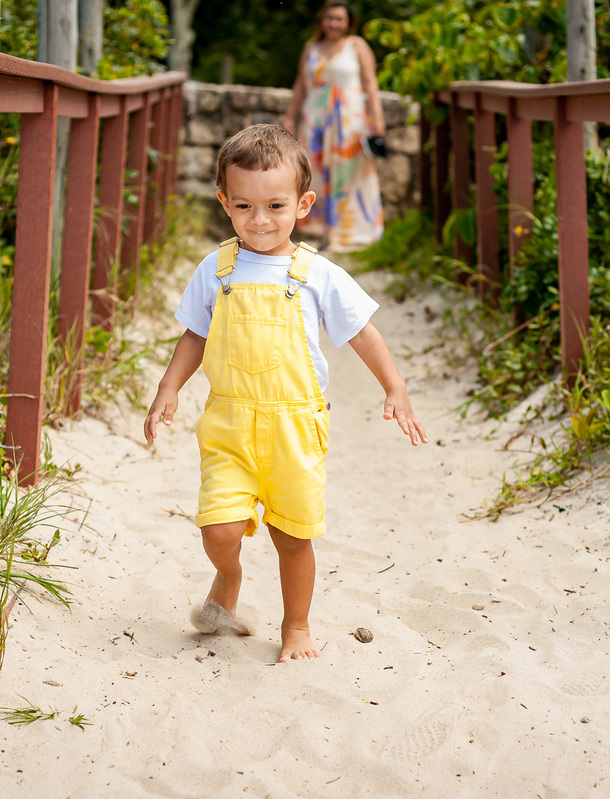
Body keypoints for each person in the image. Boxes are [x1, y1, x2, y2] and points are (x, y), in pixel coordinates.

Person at [143, 124, 426, 663]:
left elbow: (363, 332)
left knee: (293, 538)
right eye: (244, 205)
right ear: (225, 202)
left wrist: (395, 388)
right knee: (218, 529)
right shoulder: (217, 269)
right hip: (228, 422)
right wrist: (168, 388)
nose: (260, 220)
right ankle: (228, 580)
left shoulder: (316, 274)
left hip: (296, 428)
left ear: (303, 204)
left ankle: (296, 626)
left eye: (275, 205)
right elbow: (196, 335)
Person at [284, 0, 385, 251]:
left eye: (339, 19)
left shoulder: (357, 46)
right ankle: (322, 231)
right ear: (322, 20)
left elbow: (371, 84)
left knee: (347, 174)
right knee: (314, 172)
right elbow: (299, 85)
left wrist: (378, 120)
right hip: (315, 118)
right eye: (330, 18)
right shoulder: (312, 47)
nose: (334, 24)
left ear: (348, 22)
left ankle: (349, 231)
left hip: (349, 120)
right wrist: (289, 116)